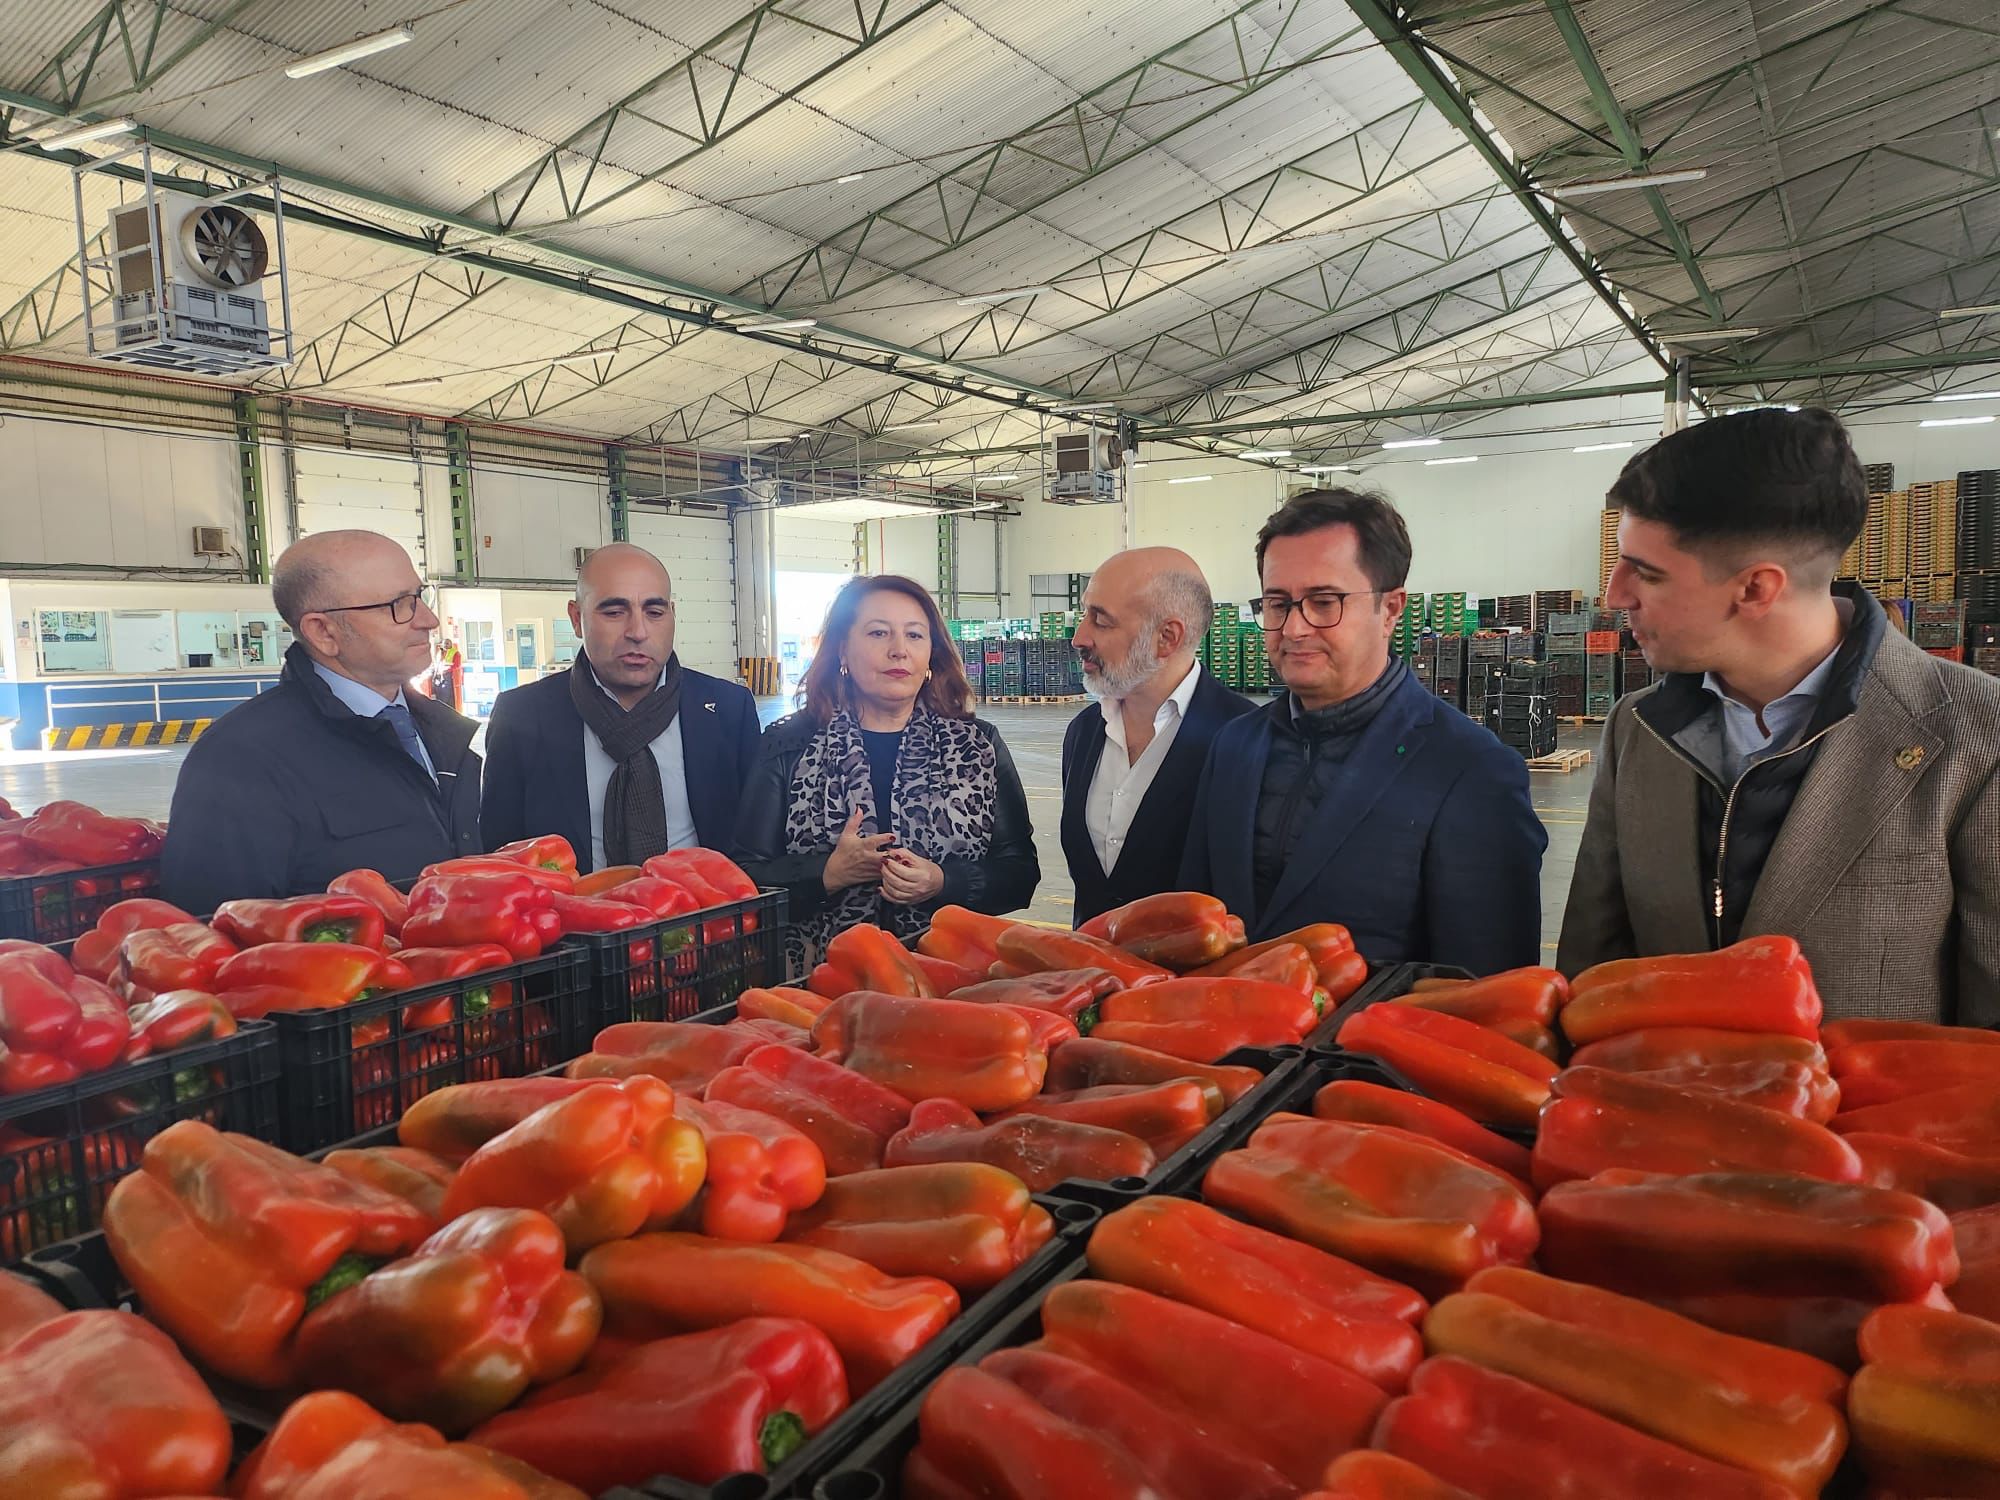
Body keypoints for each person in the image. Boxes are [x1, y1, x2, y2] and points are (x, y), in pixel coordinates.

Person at [1559, 409, 2000, 1024]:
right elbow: (1592, 973)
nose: (1615, 594)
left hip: (1860, 1118)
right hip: (1657, 1109)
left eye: (1647, 572)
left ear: (1755, 589)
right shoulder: (1638, 729)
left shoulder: (1977, 737)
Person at [1180, 489, 1546, 970]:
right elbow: (1192, 925)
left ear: (1391, 609)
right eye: (1277, 604)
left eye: (1324, 601)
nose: (1294, 629)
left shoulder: (1470, 771)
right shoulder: (1234, 745)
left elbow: (1487, 989)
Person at [160, 530, 482, 912]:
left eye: (419, 595)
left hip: (471, 968)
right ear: (323, 631)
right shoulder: (240, 760)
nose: (428, 620)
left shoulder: (448, 732)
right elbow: (212, 931)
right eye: (400, 604)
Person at [733, 574, 1039, 968]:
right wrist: (827, 873)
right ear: (842, 650)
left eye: (914, 636)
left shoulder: (977, 745)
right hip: (821, 981)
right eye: (878, 633)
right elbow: (745, 878)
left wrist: (941, 881)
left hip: (951, 978)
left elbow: (1020, 873)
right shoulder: (789, 744)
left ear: (932, 652)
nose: (899, 651)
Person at [480, 543, 759, 873]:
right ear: (576, 618)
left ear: (672, 615)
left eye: (654, 612)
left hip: (705, 918)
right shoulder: (523, 717)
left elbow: (754, 841)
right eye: (614, 612)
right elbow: (500, 854)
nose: (638, 632)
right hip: (578, 919)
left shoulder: (728, 709)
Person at [1062, 546, 1255, 925]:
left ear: (1166, 638)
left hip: (1197, 983)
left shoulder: (1245, 740)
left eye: (1101, 621)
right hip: (1088, 978)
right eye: (1085, 614)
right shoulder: (1083, 734)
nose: (1079, 637)